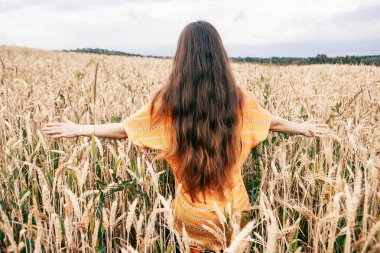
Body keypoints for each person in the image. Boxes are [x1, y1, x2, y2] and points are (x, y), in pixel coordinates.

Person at [42, 20, 331, 252]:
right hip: (235, 215)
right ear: (220, 55)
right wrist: (301, 126)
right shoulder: (238, 99)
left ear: (181, 57)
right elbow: (270, 122)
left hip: (191, 218)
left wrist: (80, 129)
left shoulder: (168, 101)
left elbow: (123, 130)